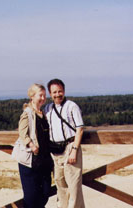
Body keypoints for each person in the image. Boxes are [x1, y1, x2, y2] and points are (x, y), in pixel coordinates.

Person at [44, 78, 85, 208]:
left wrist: (74, 150)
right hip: (55, 152)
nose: (57, 95)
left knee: (73, 187)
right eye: (54, 92)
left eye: (60, 91)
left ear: (64, 91)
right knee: (60, 186)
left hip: (70, 148)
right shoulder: (48, 108)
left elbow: (80, 129)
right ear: (50, 94)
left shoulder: (72, 106)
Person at [12, 84, 53, 208]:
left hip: (44, 160)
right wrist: (32, 145)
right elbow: (22, 132)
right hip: (30, 161)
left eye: (44, 95)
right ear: (32, 96)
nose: (43, 98)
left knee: (45, 193)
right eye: (40, 95)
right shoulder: (28, 113)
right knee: (31, 197)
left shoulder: (44, 113)